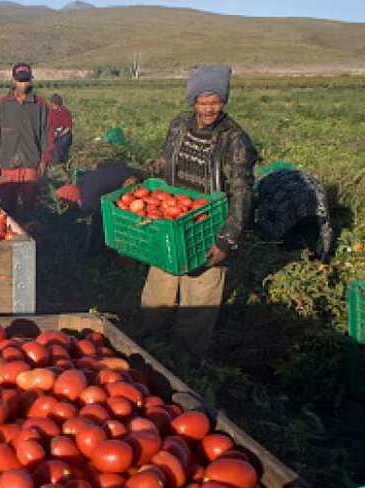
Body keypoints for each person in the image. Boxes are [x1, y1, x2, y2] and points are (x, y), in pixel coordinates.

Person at [137, 64, 257, 369]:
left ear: (224, 101)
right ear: (192, 102)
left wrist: (227, 239)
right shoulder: (179, 126)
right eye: (202, 103)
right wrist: (140, 180)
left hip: (210, 226)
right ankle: (149, 349)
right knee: (158, 291)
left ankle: (186, 366)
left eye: (215, 102)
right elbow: (164, 162)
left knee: (199, 300)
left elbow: (243, 192)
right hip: (171, 220)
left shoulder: (235, 140)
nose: (208, 110)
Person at [0, 63, 53, 215]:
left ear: (31, 80)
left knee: (29, 205)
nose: (23, 84)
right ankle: (12, 233)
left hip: (31, 161)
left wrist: (44, 159)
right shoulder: (3, 104)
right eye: (20, 80)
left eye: (26, 80)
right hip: (7, 161)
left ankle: (29, 230)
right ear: (14, 80)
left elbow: (47, 134)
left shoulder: (40, 104)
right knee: (7, 204)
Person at [254, 168, 334, 262]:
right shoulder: (277, 202)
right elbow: (267, 237)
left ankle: (306, 246)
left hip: (297, 191)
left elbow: (324, 227)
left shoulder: (316, 203)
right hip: (282, 190)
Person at [49, 94, 74, 176]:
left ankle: (58, 166)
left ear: (58, 104)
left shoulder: (65, 112)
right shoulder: (50, 112)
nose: (53, 106)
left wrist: (59, 134)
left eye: (54, 105)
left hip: (65, 134)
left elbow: (68, 128)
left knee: (59, 147)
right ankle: (55, 165)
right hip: (54, 134)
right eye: (52, 104)